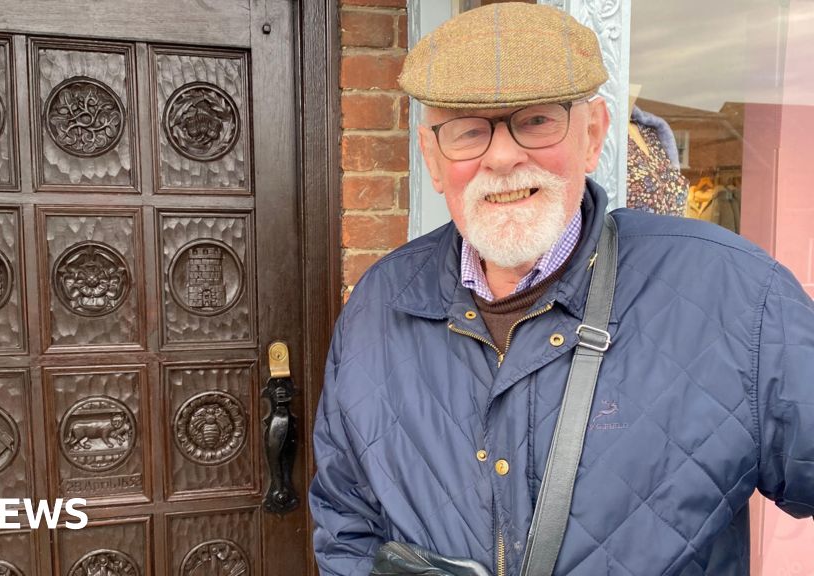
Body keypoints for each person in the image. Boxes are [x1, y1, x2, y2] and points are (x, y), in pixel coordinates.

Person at [309, 4, 814, 575]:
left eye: (537, 121)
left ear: (593, 134)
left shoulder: (735, 295)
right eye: (468, 131)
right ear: (431, 156)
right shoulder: (379, 304)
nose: (502, 156)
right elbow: (345, 524)